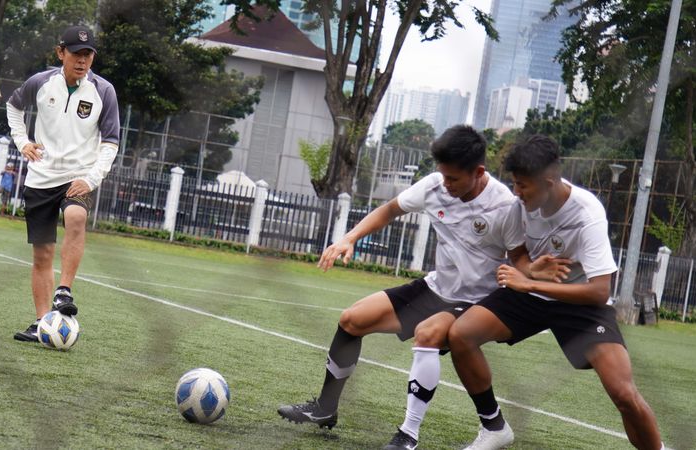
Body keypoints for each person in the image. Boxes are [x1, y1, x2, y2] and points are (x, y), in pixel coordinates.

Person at [276, 126, 565, 449]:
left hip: (476, 301)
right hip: (434, 288)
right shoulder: (434, 186)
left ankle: (407, 436)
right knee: (351, 320)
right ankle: (325, 408)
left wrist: (532, 270)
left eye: (453, 179)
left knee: (427, 334)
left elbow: (518, 257)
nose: (446, 184)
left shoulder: (504, 206)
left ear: (478, 172)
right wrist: (349, 238)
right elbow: (389, 210)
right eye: (442, 175)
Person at [447, 135, 663, 450]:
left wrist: (529, 282)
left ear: (549, 182)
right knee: (461, 335)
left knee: (623, 394)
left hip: (579, 304)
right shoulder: (520, 205)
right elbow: (518, 255)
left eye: (523, 186)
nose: (516, 193)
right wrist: (531, 270)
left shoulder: (586, 213)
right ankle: (494, 428)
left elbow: (599, 291)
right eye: (514, 184)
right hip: (530, 295)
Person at [5, 25, 120, 342]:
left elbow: (111, 141)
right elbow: (13, 107)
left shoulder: (104, 92)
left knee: (76, 217)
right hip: (41, 177)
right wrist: (22, 141)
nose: (82, 61)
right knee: (42, 256)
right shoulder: (41, 82)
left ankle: (64, 291)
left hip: (78, 177)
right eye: (76, 54)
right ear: (61, 53)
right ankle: (43, 324)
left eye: (88, 54)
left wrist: (91, 178)